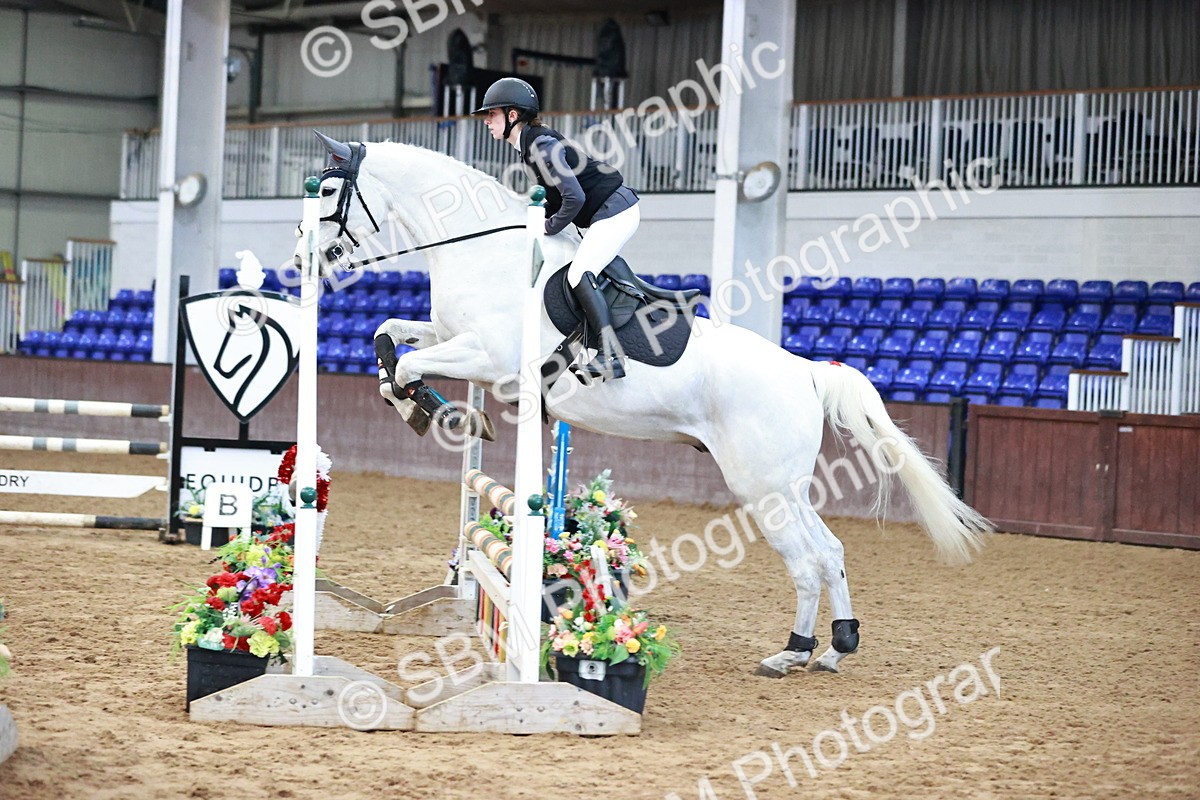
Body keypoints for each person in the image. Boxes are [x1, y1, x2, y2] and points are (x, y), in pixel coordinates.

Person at [473, 77, 638, 382]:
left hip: (616, 211)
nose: (487, 121)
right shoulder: (529, 145)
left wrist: (546, 228)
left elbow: (575, 197)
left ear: (513, 116)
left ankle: (612, 355)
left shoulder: (541, 145)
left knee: (578, 274)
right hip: (603, 213)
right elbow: (554, 197)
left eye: (491, 114)